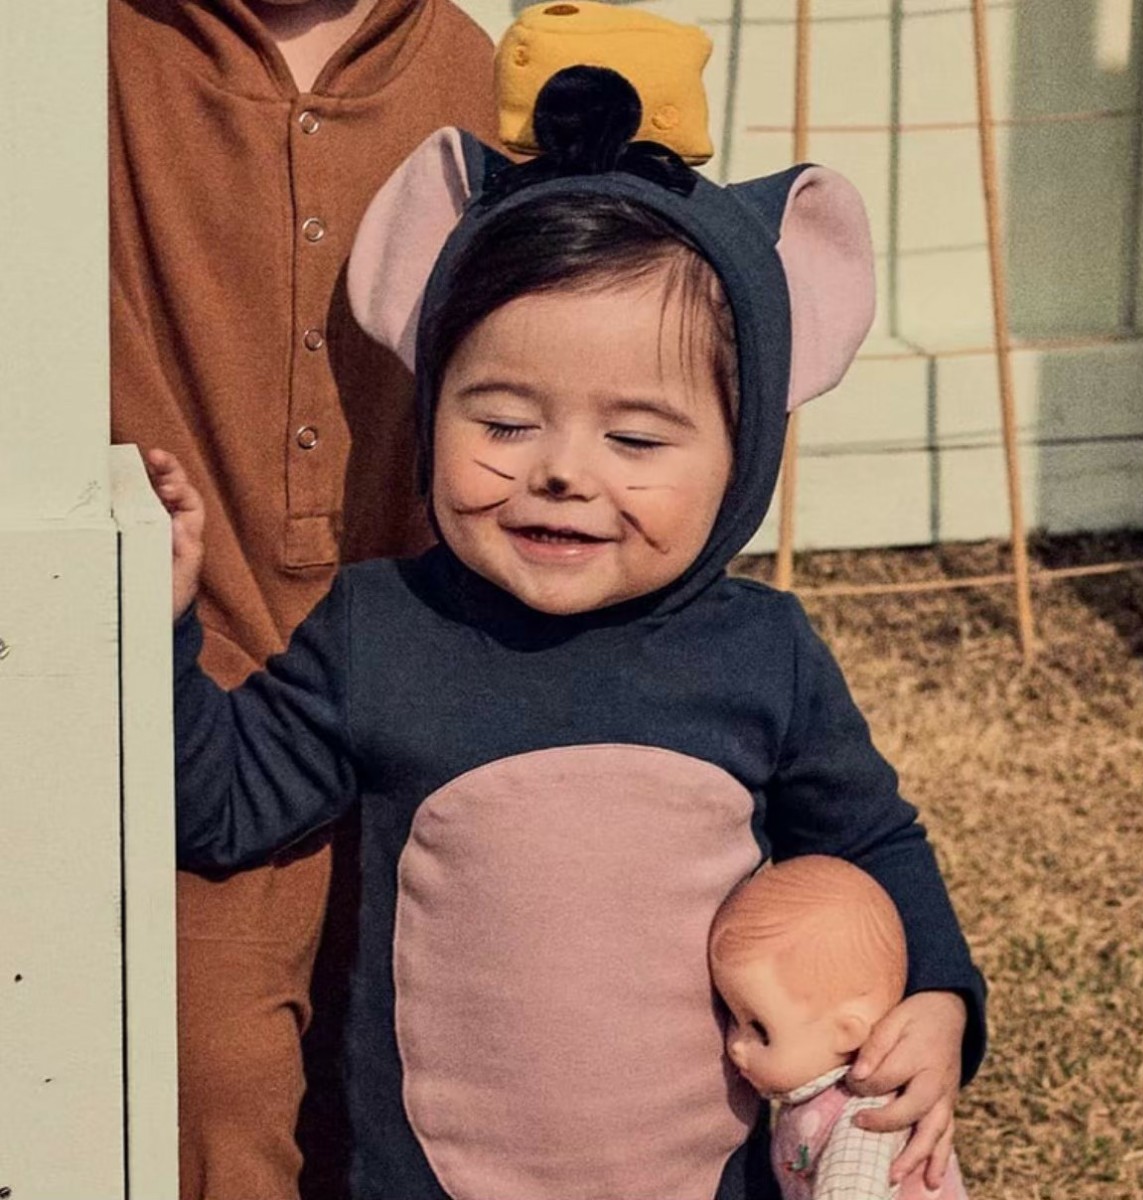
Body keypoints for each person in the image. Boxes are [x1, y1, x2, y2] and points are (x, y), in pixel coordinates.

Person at [146, 65, 987, 1200]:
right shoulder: (382, 629)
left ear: (744, 457)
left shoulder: (762, 655)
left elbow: (873, 845)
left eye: (636, 440)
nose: (559, 472)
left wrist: (936, 999)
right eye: (501, 420)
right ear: (430, 398)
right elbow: (226, 809)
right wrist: (162, 627)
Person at [108, 1, 497, 1196]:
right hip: (179, 668)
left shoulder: (480, 73)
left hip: (437, 667)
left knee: (439, 1079)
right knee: (207, 1084)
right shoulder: (85, 57)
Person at [710, 856, 972, 1199]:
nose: (736, 1046)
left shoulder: (861, 1119)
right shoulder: (816, 1099)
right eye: (733, 1017)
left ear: (847, 1032)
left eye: (760, 1030)